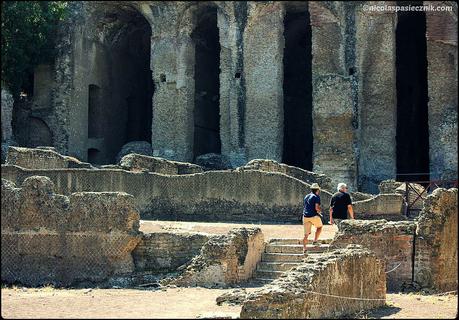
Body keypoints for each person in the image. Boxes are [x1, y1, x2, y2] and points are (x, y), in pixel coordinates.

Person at [302, 183, 323, 254]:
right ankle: (315, 241)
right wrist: (320, 211)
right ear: (317, 190)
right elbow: (316, 208)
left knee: (306, 234)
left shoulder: (306, 196)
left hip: (305, 216)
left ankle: (304, 248)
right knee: (319, 227)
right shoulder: (316, 196)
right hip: (313, 215)